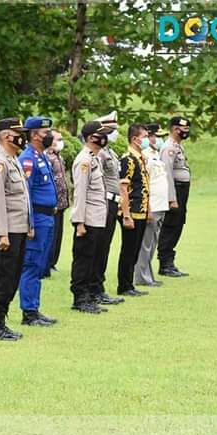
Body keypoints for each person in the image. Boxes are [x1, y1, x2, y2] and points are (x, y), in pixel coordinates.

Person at [0, 118, 32, 340]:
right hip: (7, 231)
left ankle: (1, 321)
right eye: (17, 133)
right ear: (5, 136)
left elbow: (23, 198)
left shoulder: (13, 160)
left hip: (18, 228)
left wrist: (28, 225)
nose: (22, 136)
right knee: (3, 277)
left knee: (12, 277)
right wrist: (1, 233)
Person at [17, 116, 58, 327]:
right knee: (31, 264)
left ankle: (35, 307)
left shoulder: (41, 156)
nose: (49, 135)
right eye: (45, 132)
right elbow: (26, 194)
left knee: (41, 265)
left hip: (48, 217)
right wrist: (30, 223)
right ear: (34, 135)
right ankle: (29, 312)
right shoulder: (28, 159)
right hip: (38, 218)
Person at [69, 121, 112, 314]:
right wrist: (79, 223)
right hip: (87, 219)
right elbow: (80, 193)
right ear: (90, 137)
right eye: (99, 134)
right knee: (83, 260)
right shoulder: (84, 161)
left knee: (93, 259)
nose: (104, 138)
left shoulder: (95, 158)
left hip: (97, 217)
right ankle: (80, 298)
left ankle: (89, 295)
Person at [92, 111, 125, 306]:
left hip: (113, 202)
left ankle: (99, 286)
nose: (114, 134)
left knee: (105, 247)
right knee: (99, 247)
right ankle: (95, 288)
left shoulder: (110, 152)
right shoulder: (100, 154)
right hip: (103, 202)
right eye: (110, 130)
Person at [117, 124, 151, 297]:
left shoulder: (141, 158)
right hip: (131, 211)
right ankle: (124, 285)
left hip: (142, 210)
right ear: (135, 139)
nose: (147, 139)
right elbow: (123, 188)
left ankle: (129, 283)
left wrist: (148, 211)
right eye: (145, 136)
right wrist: (126, 215)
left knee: (135, 249)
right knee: (129, 250)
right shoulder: (128, 159)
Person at [134, 123, 169, 287]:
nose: (160, 139)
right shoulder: (145, 156)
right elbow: (143, 183)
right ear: (150, 137)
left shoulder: (156, 154)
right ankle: (142, 276)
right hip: (152, 204)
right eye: (157, 136)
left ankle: (148, 274)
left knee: (152, 242)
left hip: (160, 204)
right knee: (146, 244)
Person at [157, 116, 192, 277]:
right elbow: (167, 174)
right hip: (175, 190)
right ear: (175, 130)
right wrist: (171, 198)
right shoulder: (168, 148)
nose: (185, 133)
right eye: (182, 130)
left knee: (178, 223)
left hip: (181, 189)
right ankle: (165, 263)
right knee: (171, 225)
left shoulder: (178, 146)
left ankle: (170, 261)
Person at [45, 129, 69, 276]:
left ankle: (53, 262)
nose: (60, 142)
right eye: (57, 139)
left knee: (58, 235)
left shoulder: (58, 157)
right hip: (53, 204)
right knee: (51, 236)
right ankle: (47, 263)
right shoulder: (47, 157)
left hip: (62, 203)